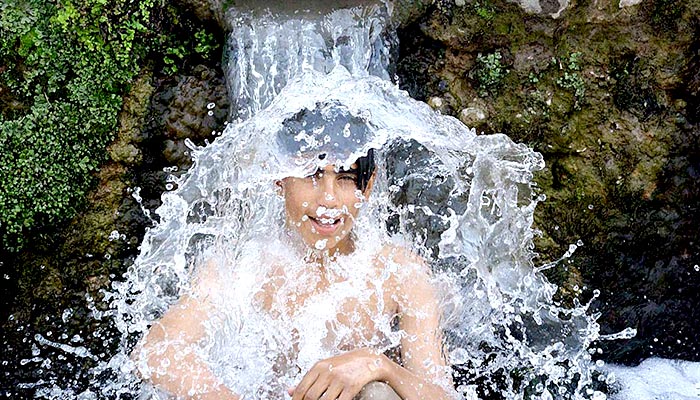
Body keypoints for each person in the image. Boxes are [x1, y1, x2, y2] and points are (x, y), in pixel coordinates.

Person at [133, 104, 455, 400]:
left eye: (345, 178)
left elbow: (442, 395)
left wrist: (378, 365)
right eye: (312, 176)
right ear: (279, 178)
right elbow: (156, 352)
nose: (329, 200)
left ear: (366, 188)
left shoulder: (397, 271)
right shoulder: (244, 265)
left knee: (377, 394)